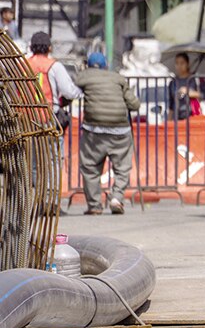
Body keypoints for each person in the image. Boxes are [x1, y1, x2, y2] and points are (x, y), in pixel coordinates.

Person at [73, 52, 139, 215]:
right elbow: (134, 104)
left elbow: (71, 91)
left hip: (94, 131)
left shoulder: (83, 77)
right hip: (120, 130)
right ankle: (117, 197)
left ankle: (95, 205)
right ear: (105, 66)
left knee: (90, 167)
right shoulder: (118, 78)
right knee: (122, 167)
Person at [26, 32, 81, 130]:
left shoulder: (22, 65)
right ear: (49, 48)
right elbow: (69, 92)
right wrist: (80, 91)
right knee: (54, 145)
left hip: (26, 120)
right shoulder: (54, 66)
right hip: (48, 119)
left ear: (31, 47)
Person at [167, 53, 205, 119]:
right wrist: (169, 120)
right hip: (176, 117)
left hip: (192, 115)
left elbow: (204, 95)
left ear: (187, 64)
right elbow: (171, 104)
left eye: (182, 63)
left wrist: (189, 92)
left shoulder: (196, 80)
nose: (179, 66)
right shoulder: (172, 82)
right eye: (177, 63)